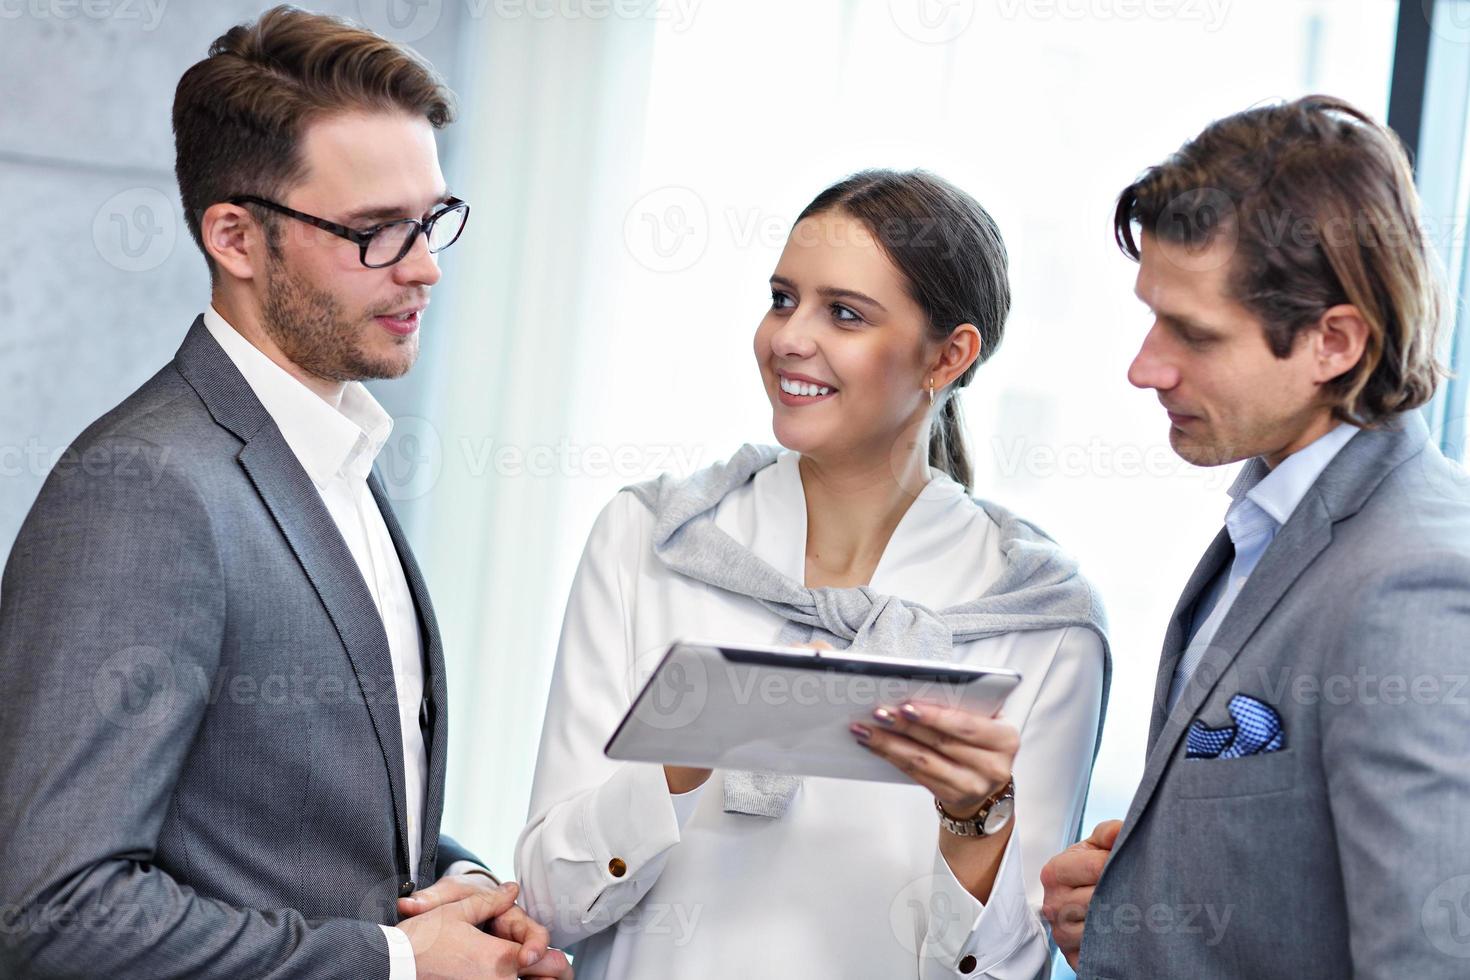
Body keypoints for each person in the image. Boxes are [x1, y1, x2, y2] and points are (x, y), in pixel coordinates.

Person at [0, 8, 568, 978]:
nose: (426, 265)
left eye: (429, 219)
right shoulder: (146, 492)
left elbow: (305, 819)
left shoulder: (336, 450)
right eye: (374, 231)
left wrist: (458, 889)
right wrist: (395, 960)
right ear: (234, 235)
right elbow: (52, 910)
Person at [502, 169, 1110, 977]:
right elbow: (547, 902)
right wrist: (689, 750)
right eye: (783, 298)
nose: (789, 337)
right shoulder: (649, 540)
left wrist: (976, 821)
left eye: (845, 314)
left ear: (949, 356)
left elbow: (1006, 970)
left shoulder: (1041, 620)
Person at [1040, 95, 1470, 978]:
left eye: (1194, 333)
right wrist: (1133, 904)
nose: (1144, 366)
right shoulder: (1273, 517)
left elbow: (1424, 957)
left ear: (1333, 341)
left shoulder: (1414, 582)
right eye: (1152, 315)